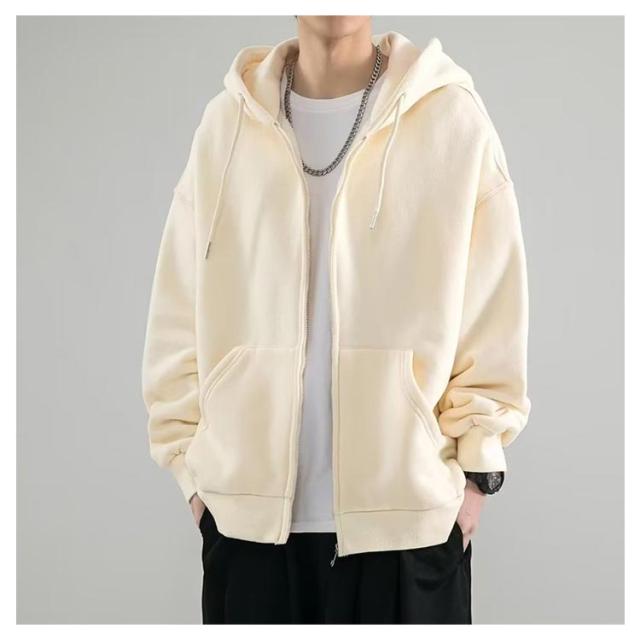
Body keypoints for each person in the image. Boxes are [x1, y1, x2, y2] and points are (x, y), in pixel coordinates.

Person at [142, 15, 531, 624]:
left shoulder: (451, 119)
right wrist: (193, 476)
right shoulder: (226, 125)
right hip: (247, 532)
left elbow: (494, 309)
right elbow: (175, 307)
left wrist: (478, 472)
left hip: (409, 528)